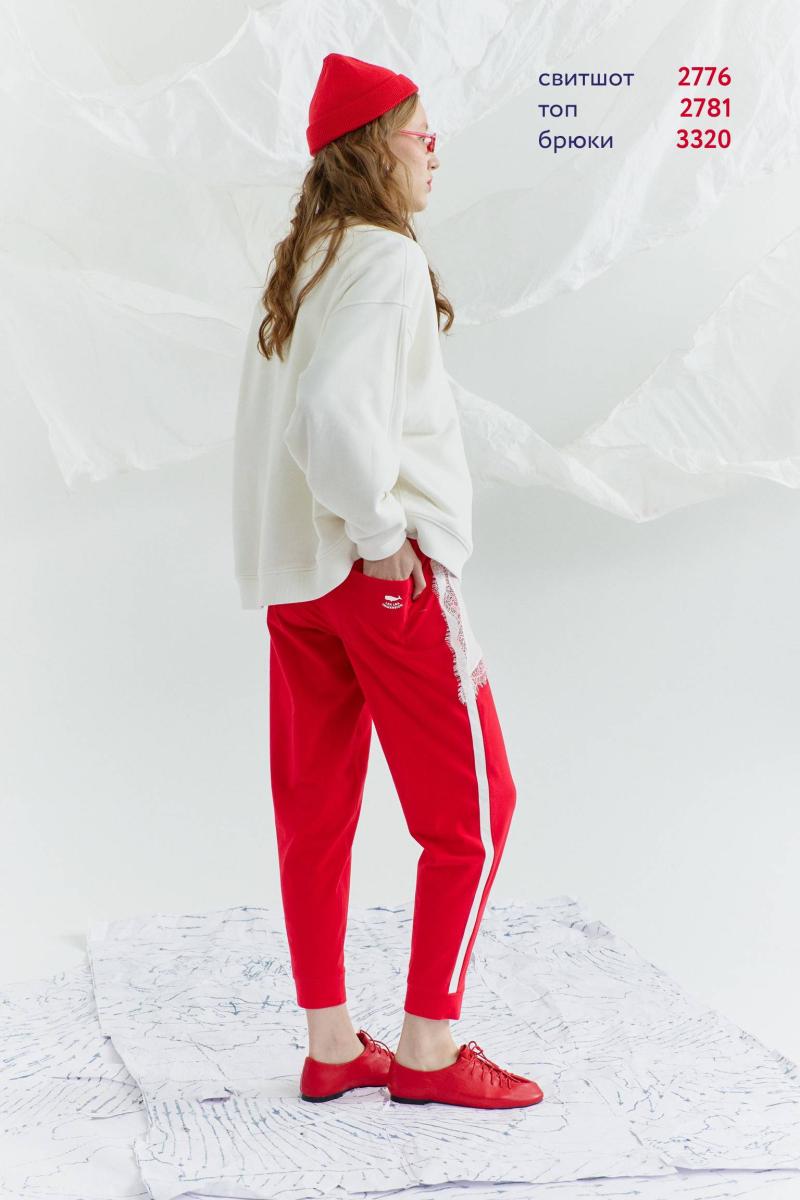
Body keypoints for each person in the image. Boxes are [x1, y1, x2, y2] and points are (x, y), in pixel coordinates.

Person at [232, 51, 543, 1111]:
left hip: (297, 582)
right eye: (420, 134)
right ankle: (427, 1048)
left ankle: (331, 1045)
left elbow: (295, 419)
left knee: (315, 814)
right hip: (377, 576)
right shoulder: (384, 258)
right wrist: (380, 537)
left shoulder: (304, 262)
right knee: (475, 812)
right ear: (374, 149)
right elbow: (330, 418)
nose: (435, 151)